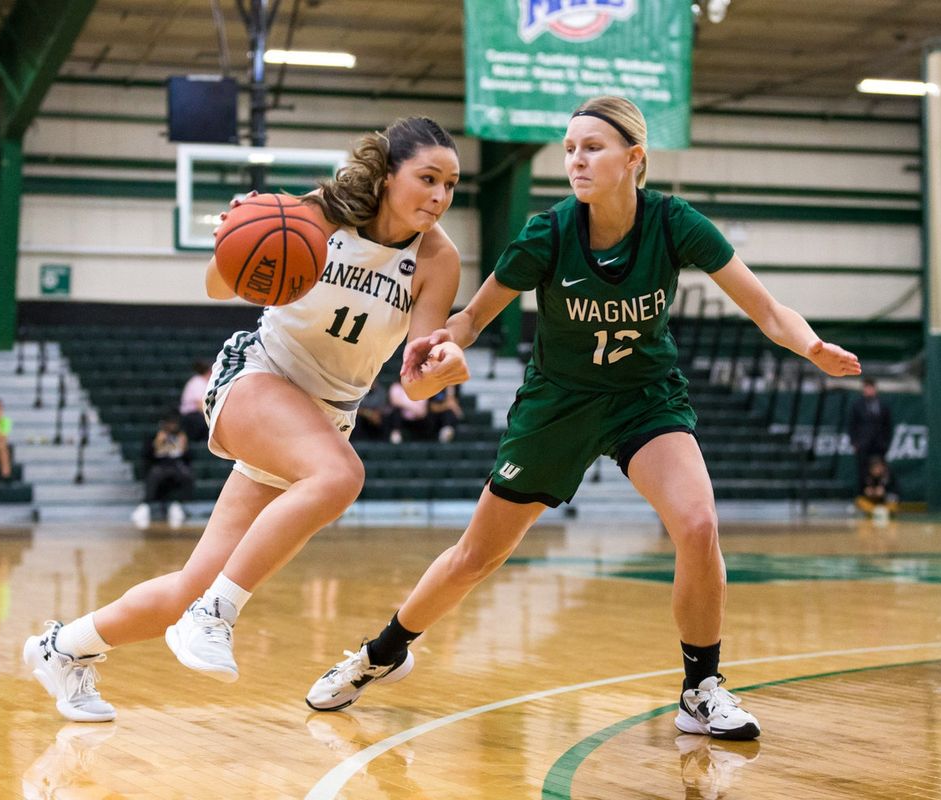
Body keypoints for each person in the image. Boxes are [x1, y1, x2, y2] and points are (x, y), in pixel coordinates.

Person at [306, 96, 861, 741]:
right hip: (557, 405)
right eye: (569, 149)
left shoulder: (675, 223)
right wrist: (447, 345)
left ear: (634, 158)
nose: (576, 160)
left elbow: (767, 310)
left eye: (591, 147)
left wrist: (811, 345)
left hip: (644, 398)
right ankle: (382, 653)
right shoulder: (549, 232)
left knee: (698, 522)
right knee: (477, 557)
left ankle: (701, 687)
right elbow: (472, 317)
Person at [22, 116, 469, 723]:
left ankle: (61, 648)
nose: (440, 197)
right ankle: (218, 615)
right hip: (258, 378)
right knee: (340, 478)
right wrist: (233, 239)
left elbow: (414, 376)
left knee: (186, 589)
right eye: (428, 179)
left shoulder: (439, 260)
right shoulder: (318, 213)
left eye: (451, 185)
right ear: (388, 176)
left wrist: (439, 367)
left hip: (321, 419)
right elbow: (216, 286)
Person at [130, 413, 194, 530]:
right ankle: (145, 506)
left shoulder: (182, 437)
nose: (172, 426)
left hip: (176, 467)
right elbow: (146, 457)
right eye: (170, 423)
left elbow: (189, 459)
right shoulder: (154, 436)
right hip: (159, 467)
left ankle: (178, 505)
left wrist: (184, 448)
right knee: (155, 475)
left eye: (174, 423)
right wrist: (156, 444)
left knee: (186, 475)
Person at [847, 377, 892, 494]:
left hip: (879, 444)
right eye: (866, 388)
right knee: (863, 470)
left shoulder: (883, 405)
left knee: (880, 469)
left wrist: (886, 442)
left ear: (874, 389)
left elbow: (888, 425)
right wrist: (855, 442)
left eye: (871, 388)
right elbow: (852, 425)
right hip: (863, 444)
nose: (869, 390)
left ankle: (882, 495)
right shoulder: (857, 405)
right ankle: (862, 495)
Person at [385, 379, 431, 444]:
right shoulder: (396, 387)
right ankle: (396, 435)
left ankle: (425, 441)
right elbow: (395, 402)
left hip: (417, 419)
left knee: (429, 417)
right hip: (402, 419)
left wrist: (406, 405)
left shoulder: (421, 388)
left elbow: (422, 412)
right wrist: (412, 406)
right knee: (395, 412)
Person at [179, 360, 212, 442]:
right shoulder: (198, 381)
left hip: (197, 415)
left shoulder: (204, 382)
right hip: (191, 417)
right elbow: (200, 405)